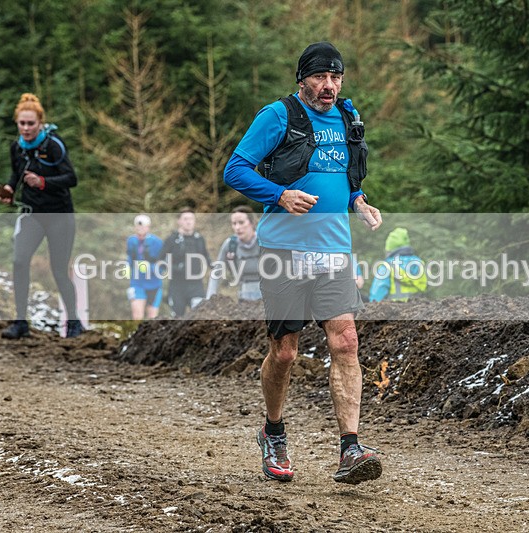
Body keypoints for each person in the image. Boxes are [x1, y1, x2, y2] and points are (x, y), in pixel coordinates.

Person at [224, 42, 384, 484]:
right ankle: (273, 432)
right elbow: (235, 170)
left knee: (346, 342)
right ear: (302, 79)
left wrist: (358, 202)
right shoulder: (278, 116)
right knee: (285, 352)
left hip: (334, 251)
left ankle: (351, 448)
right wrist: (280, 195)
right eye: (320, 77)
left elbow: (345, 177)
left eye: (336, 77)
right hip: (283, 252)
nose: (329, 85)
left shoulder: (348, 117)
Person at [0, 93, 83, 340]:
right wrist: (10, 188)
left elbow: (71, 178)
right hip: (32, 214)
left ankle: (74, 321)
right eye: (22, 124)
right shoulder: (16, 147)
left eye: (31, 124)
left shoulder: (53, 145)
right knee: (19, 261)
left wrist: (43, 182)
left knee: (59, 270)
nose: (26, 129)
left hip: (59, 215)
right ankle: (20, 321)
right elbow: (17, 173)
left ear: (40, 123)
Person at [161, 209, 211, 317]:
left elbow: (206, 256)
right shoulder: (172, 239)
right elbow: (161, 261)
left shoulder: (199, 239)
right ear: (179, 221)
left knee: (199, 315)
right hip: (177, 285)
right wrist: (176, 268)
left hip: (196, 284)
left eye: (191, 219)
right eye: (185, 219)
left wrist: (213, 266)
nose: (189, 222)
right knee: (177, 318)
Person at [205, 205, 262, 301]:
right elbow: (216, 272)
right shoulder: (230, 245)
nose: (237, 227)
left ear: (252, 223)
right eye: (234, 223)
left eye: (241, 222)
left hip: (269, 296)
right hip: (244, 296)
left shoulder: (265, 242)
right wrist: (210, 298)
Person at [368, 227, 427, 302]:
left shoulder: (387, 266)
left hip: (393, 308)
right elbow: (423, 287)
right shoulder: (418, 263)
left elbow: (377, 294)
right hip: (418, 307)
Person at [127, 214, 164, 320]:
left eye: (143, 226)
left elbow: (163, 265)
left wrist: (150, 268)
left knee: (152, 317)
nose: (140, 229)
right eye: (138, 226)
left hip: (154, 284)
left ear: (148, 227)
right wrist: (127, 267)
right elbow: (130, 258)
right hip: (137, 283)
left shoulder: (157, 242)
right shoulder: (131, 241)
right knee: (137, 316)